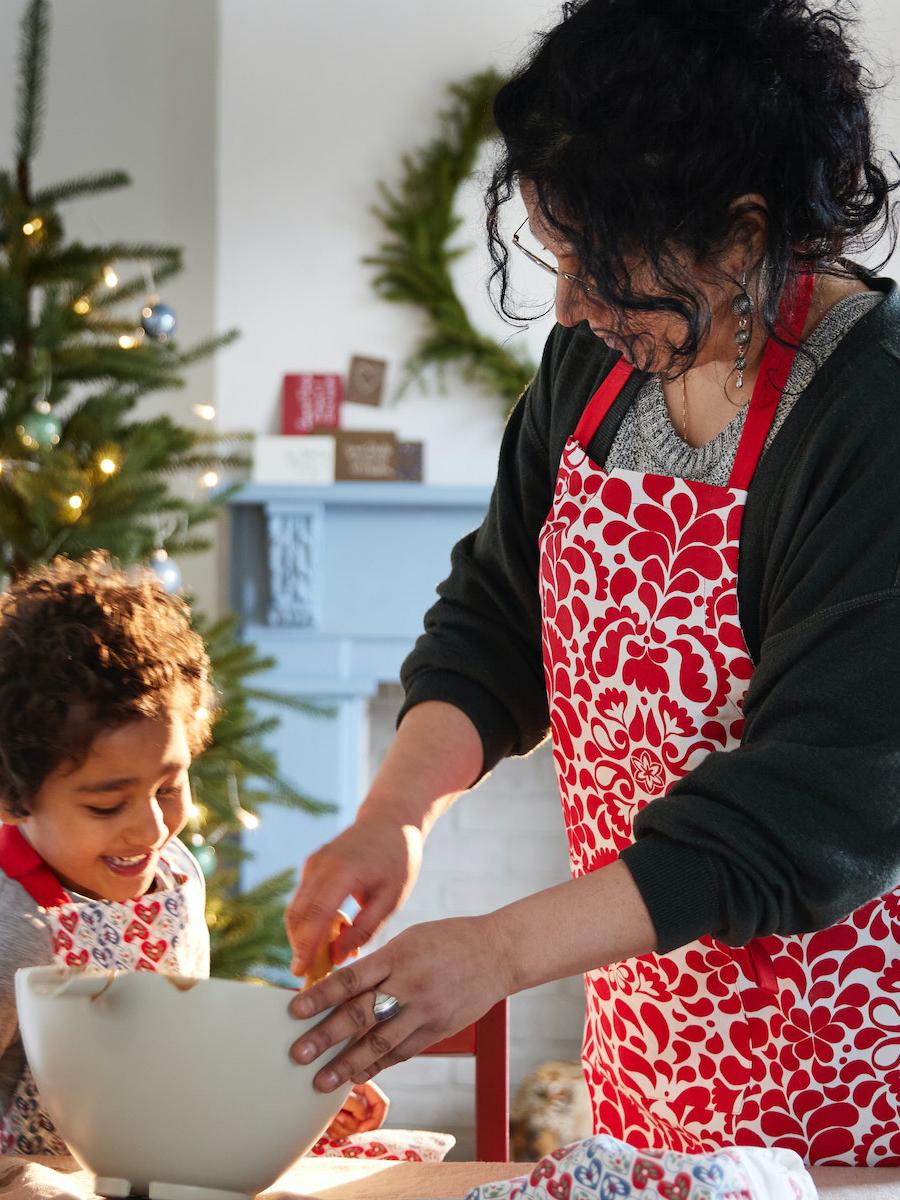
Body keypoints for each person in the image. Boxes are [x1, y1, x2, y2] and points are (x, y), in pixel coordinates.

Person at [283, 0, 900, 1168]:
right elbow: (496, 616)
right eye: (562, 261)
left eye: (600, 264)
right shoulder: (600, 364)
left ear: (742, 231)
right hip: (653, 1068)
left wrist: (503, 950)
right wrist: (395, 815)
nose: (569, 306)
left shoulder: (875, 414)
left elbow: (813, 807)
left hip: (853, 1110)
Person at [0, 555, 386, 1155]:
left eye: (168, 788)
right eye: (107, 807)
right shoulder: (11, 924)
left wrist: (287, 1093)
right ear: (15, 798)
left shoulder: (176, 879)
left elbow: (179, 1059)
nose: (152, 829)